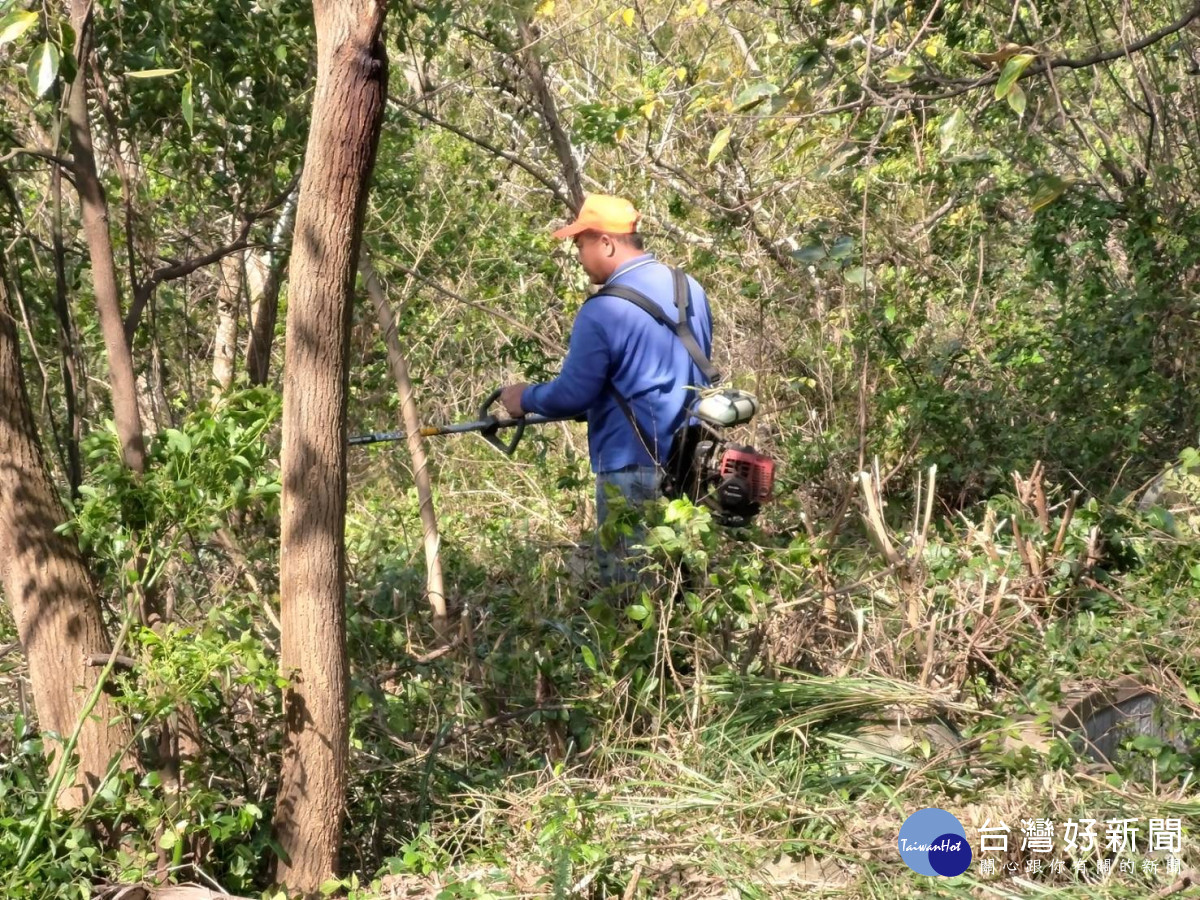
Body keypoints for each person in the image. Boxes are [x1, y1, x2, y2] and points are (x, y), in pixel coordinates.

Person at [499, 194, 713, 589]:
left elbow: (572, 394)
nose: (580, 257)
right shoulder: (689, 289)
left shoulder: (603, 310)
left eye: (581, 245)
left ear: (606, 242)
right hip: (694, 462)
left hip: (631, 468)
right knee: (684, 586)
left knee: (630, 591)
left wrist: (523, 399)